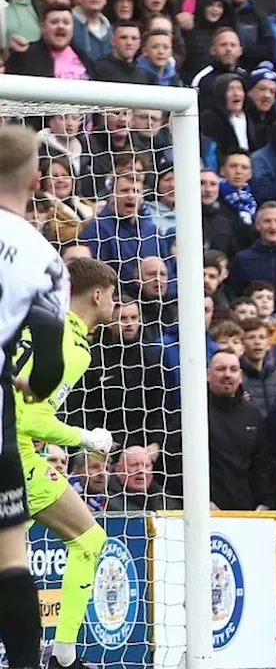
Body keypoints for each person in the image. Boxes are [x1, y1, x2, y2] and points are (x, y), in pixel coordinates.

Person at [13, 258, 117, 669]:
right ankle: (62, 658)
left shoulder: (30, 321)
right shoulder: (72, 346)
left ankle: (63, 658)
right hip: (13, 453)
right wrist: (85, 438)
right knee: (87, 541)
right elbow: (31, 419)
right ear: (97, 295)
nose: (115, 302)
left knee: (85, 540)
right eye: (113, 295)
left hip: (19, 450)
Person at [0, 125, 73, 669]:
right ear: (34, 179)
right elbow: (48, 365)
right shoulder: (44, 258)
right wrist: (35, 386)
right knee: (10, 556)